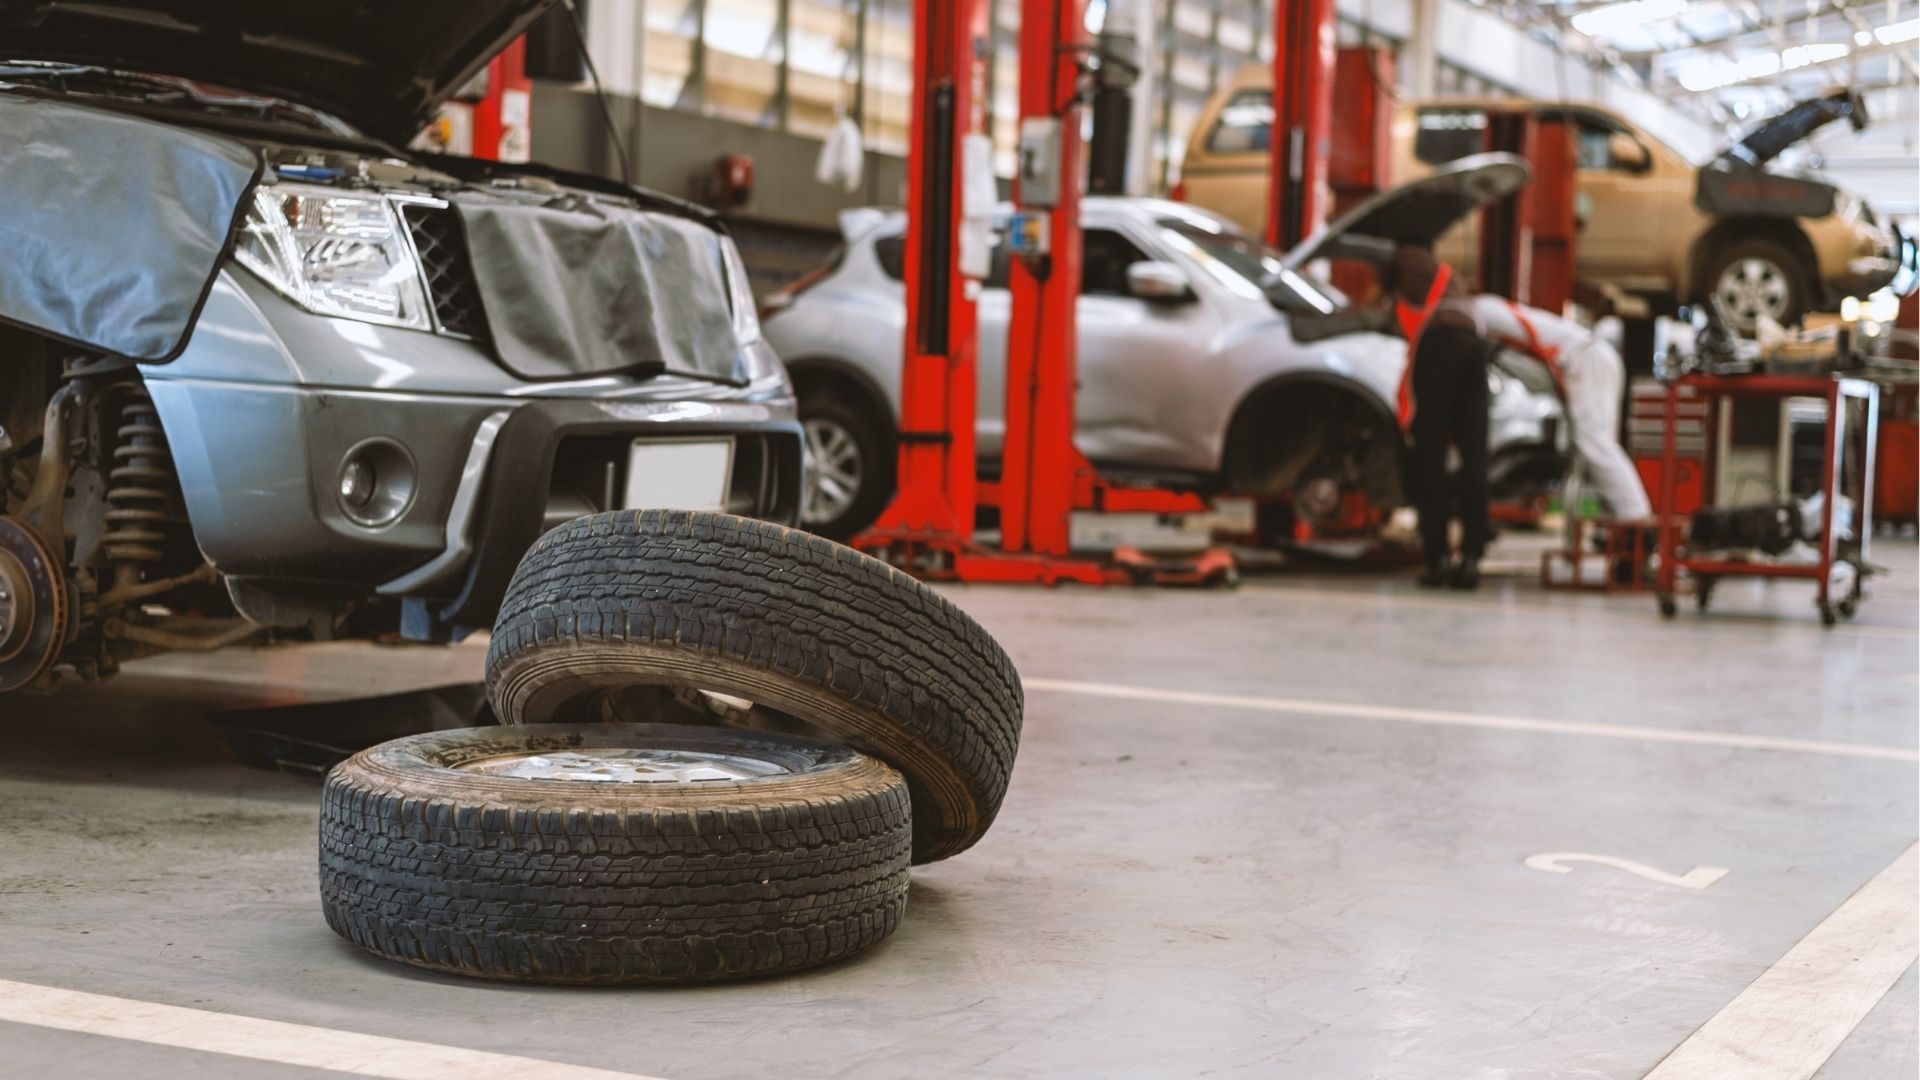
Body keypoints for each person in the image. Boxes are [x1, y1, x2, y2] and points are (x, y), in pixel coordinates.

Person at [1472, 297, 1653, 521]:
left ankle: (1635, 517)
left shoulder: (1481, 309)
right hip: (1585, 359)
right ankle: (1621, 518)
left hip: (1584, 358)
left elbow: (1531, 338)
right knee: (1592, 448)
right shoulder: (1488, 322)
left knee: (1594, 442)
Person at [1383, 245, 1491, 590]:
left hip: (1439, 345)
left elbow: (1387, 314)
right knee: (1474, 456)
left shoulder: (1400, 262)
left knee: (1430, 458)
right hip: (1473, 345)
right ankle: (1471, 558)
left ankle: (1437, 559)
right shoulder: (1447, 277)